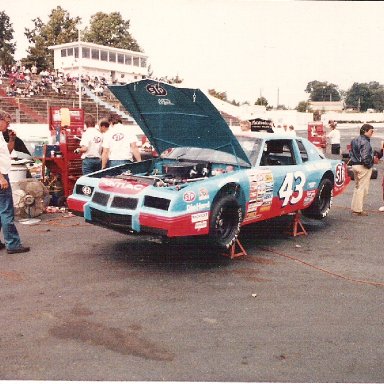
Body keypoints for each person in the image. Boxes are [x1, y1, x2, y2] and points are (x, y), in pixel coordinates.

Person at [0, 110, 30, 254]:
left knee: (1, 211)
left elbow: (6, 151)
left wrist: (11, 140)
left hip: (2, 174)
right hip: (1, 176)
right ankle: (12, 244)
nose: (8, 125)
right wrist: (1, 177)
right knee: (6, 211)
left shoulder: (1, 135)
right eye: (7, 121)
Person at [349, 123, 375, 216]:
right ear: (366, 131)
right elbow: (365, 157)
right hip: (363, 167)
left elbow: (351, 153)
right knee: (363, 188)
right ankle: (358, 210)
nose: (372, 133)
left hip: (355, 165)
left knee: (357, 187)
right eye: (371, 131)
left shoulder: (354, 140)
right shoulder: (366, 142)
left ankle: (355, 207)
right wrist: (369, 165)